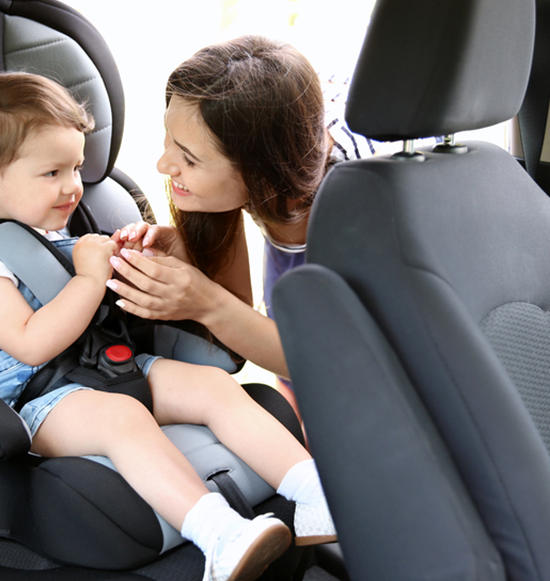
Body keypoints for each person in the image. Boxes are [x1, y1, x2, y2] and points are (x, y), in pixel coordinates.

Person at [0, 71, 336, 581]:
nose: (73, 186)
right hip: (40, 402)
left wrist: (130, 260)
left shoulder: (58, 229)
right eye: (53, 172)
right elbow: (30, 343)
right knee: (124, 417)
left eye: (76, 167)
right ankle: (218, 537)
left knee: (211, 387)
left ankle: (314, 492)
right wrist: (88, 276)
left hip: (108, 368)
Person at [108, 36, 389, 413]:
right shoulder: (258, 137)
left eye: (189, 159)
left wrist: (203, 301)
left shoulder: (361, 207)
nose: (164, 165)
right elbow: (240, 308)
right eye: (169, 138)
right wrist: (190, 253)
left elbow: (328, 362)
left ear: (262, 175)